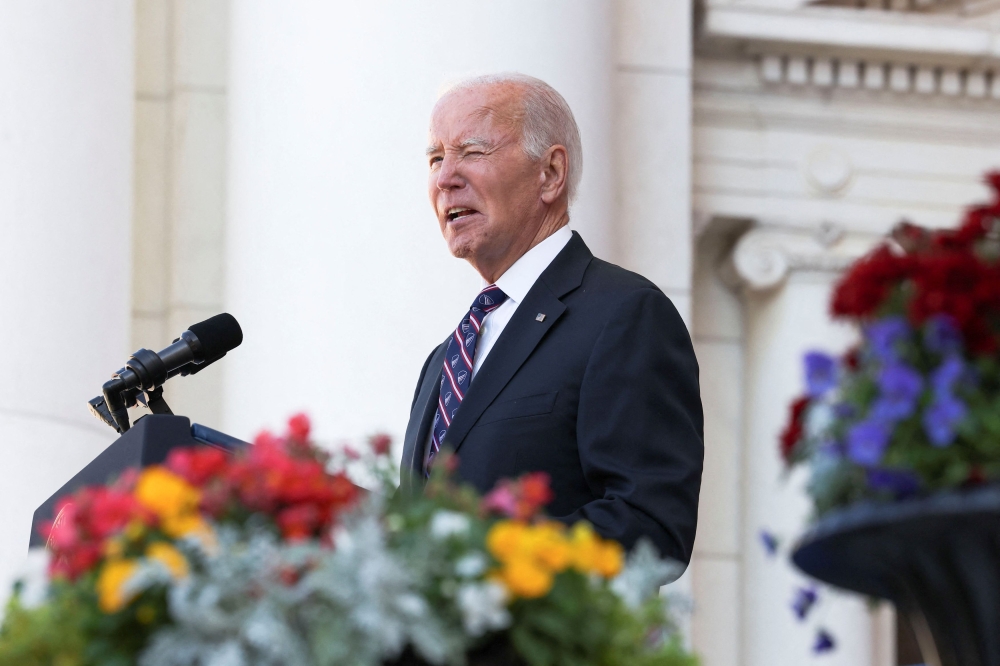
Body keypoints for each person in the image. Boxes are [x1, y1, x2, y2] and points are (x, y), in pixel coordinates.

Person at [400, 73, 703, 564]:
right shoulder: (445, 358)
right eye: (436, 158)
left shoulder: (623, 314)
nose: (445, 177)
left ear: (550, 173)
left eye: (472, 152)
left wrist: (487, 557)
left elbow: (651, 525)